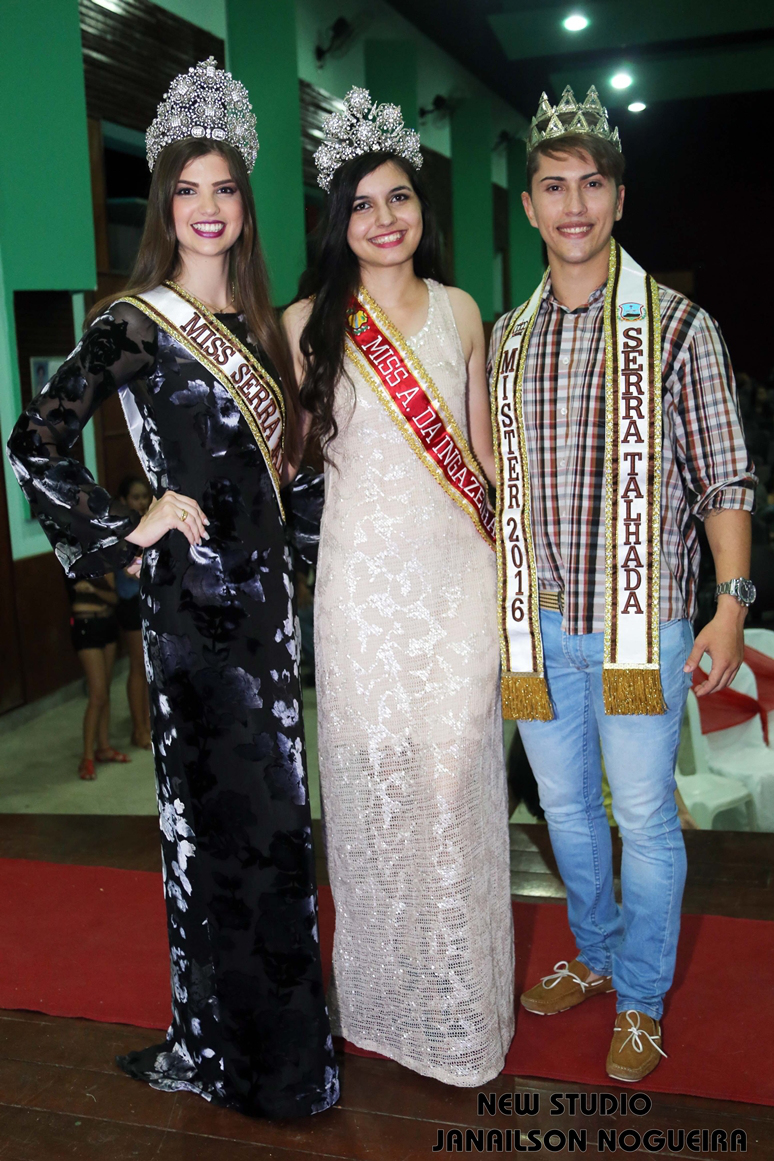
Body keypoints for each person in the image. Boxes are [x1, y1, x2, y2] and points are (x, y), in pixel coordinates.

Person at [7, 58, 338, 1118]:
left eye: (224, 188)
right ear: (165, 208)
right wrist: (127, 525)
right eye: (186, 190)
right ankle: (215, 1052)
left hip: (269, 625)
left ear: (245, 207)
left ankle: (277, 1059)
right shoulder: (133, 321)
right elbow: (34, 441)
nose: (206, 208)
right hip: (194, 622)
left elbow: (293, 480)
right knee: (210, 839)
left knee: (277, 837)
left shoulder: (261, 333)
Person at [488, 86, 755, 1082]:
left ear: (619, 199)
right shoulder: (509, 342)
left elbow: (726, 476)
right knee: (562, 816)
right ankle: (593, 953)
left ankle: (640, 997)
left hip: (640, 624)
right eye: (553, 186)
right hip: (539, 627)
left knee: (643, 816)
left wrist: (734, 605)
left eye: (591, 185)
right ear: (528, 205)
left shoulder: (680, 327)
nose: (573, 204)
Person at [283, 86, 514, 1087]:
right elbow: (282, 456)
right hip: (361, 589)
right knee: (378, 790)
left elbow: (485, 459)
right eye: (365, 203)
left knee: (455, 780)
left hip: (456, 579)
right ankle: (387, 1003)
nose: (386, 218)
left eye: (402, 198)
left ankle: (461, 1011)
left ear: (423, 209)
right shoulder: (307, 319)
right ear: (340, 222)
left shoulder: (464, 311)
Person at [66, 568, 129, 780]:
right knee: (97, 694)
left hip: (107, 624)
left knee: (105, 692)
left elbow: (113, 598)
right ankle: (87, 758)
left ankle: (104, 748)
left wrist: (94, 589)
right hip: (86, 627)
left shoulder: (104, 562)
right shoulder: (72, 562)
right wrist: (96, 591)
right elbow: (75, 598)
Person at [115, 475, 152, 749]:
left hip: (151, 603)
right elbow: (129, 572)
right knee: (138, 667)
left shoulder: (152, 521)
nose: (140, 502)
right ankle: (139, 729)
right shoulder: (121, 529)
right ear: (124, 501)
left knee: (152, 669)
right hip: (131, 604)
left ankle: (150, 724)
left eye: (144, 496)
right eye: (135, 497)